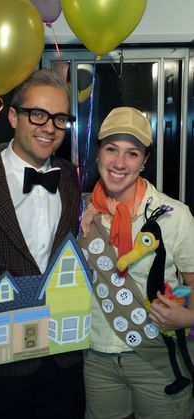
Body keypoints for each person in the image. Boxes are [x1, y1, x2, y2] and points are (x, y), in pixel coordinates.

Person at [0, 69, 85, 419]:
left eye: (59, 118)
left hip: (65, 363)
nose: (49, 127)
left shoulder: (71, 179)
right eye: (38, 114)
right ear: (13, 116)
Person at [78, 106, 194, 419]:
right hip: (97, 358)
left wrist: (188, 317)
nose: (119, 163)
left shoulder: (175, 216)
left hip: (158, 359)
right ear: (99, 153)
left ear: (144, 161)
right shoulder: (80, 211)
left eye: (132, 153)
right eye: (111, 149)